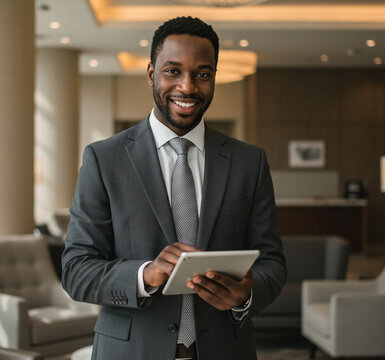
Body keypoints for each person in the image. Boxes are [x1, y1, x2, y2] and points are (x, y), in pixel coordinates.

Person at [62, 16, 286, 360]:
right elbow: (77, 271)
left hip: (227, 350)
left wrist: (246, 294)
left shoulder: (249, 162)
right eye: (173, 71)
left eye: (202, 74)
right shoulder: (103, 159)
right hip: (130, 352)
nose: (188, 87)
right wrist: (145, 274)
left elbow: (272, 262)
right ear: (152, 73)